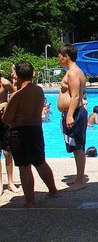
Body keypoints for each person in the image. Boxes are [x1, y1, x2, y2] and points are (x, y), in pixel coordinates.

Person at [1, 61, 57, 207]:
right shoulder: (39, 91)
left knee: (24, 166)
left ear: (17, 76)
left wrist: (4, 108)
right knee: (40, 162)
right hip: (36, 129)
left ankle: (29, 201)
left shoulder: (16, 96)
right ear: (32, 74)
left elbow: (7, 119)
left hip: (19, 132)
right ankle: (53, 190)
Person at [57, 43, 88, 191]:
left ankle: (80, 181)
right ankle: (78, 177)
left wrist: (69, 115)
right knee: (76, 146)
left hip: (75, 113)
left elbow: (75, 96)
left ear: (66, 56)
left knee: (77, 147)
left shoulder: (73, 73)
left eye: (60, 57)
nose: (58, 59)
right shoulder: (74, 71)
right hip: (75, 112)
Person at [0, 68, 18, 193]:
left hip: (3, 121)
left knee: (7, 152)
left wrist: (6, 104)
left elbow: (15, 94)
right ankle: (0, 183)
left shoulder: (4, 83)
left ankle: (10, 182)